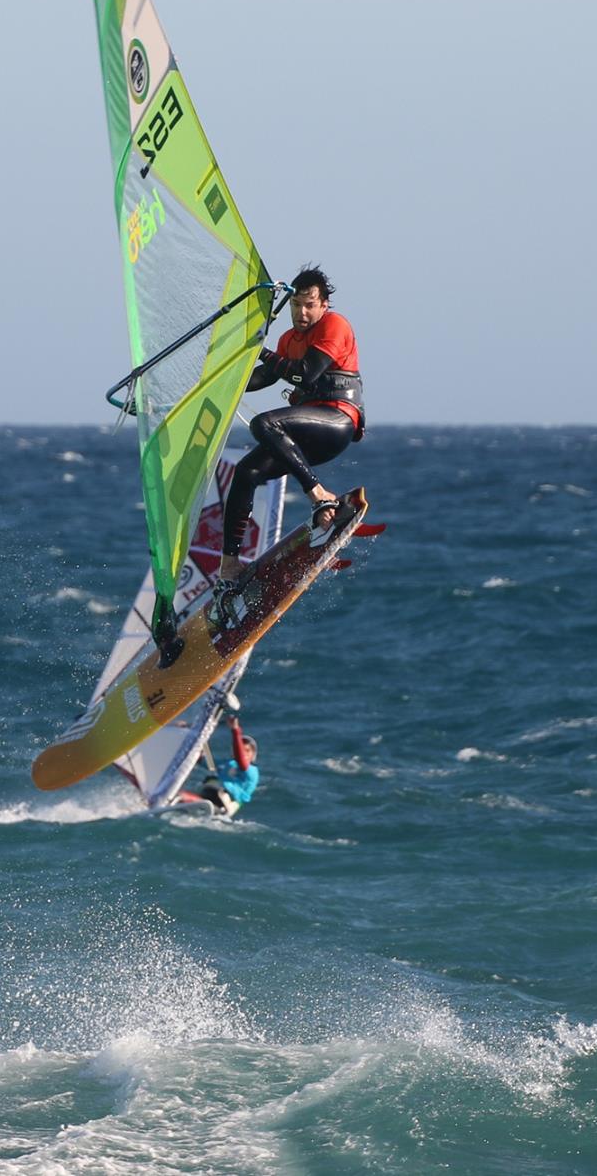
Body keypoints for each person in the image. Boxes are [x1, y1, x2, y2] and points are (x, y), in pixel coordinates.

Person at [209, 266, 363, 628]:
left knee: (265, 423)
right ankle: (229, 567)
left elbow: (305, 374)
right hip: (303, 433)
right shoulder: (288, 341)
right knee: (244, 473)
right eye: (296, 304)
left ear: (323, 305)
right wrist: (220, 379)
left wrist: (259, 349)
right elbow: (263, 378)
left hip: (337, 420)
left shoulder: (334, 326)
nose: (301, 313)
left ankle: (318, 493)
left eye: (309, 305)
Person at [197, 718, 260, 815]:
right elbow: (204, 762)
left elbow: (240, 758)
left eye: (247, 750)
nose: (243, 753)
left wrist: (235, 730)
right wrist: (198, 735)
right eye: (240, 749)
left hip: (226, 803)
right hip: (212, 795)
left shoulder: (251, 771)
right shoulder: (226, 764)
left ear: (253, 755)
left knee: (183, 796)